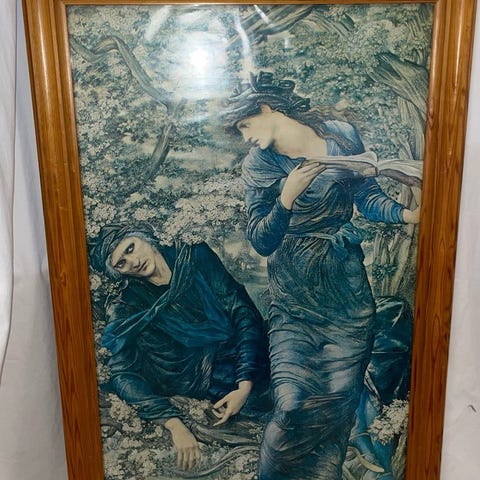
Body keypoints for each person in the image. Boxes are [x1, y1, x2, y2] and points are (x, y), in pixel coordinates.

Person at [224, 71, 419, 480]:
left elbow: (366, 197)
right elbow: (261, 240)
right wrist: (286, 198)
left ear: (267, 108)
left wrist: (407, 215)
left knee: (337, 404)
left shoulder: (340, 135)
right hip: (293, 296)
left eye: (245, 125)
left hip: (346, 292)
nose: (246, 137)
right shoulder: (259, 164)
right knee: (291, 404)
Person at [89, 222, 270, 471]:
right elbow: (122, 372)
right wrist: (174, 424)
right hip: (208, 380)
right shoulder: (128, 305)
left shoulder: (193, 254)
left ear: (145, 237)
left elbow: (241, 310)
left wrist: (244, 383)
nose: (133, 262)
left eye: (130, 248)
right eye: (121, 263)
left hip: (250, 354)